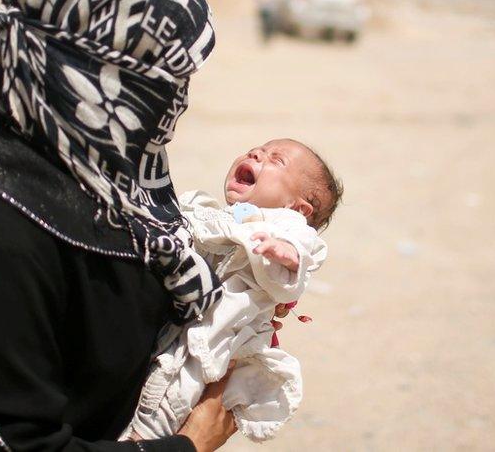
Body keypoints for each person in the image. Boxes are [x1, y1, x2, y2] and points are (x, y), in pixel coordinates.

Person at [0, 0, 233, 451]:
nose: (179, 101)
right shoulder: (1, 238)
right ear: (109, 79)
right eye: (171, 78)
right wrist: (185, 447)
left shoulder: (112, 191)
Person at [125, 139, 342, 442]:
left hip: (213, 339)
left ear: (298, 206)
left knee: (170, 395)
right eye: (258, 150)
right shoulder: (218, 213)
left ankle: (144, 441)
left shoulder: (285, 224)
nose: (256, 154)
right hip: (179, 323)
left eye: (276, 160)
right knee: (143, 385)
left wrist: (284, 252)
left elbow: (304, 253)